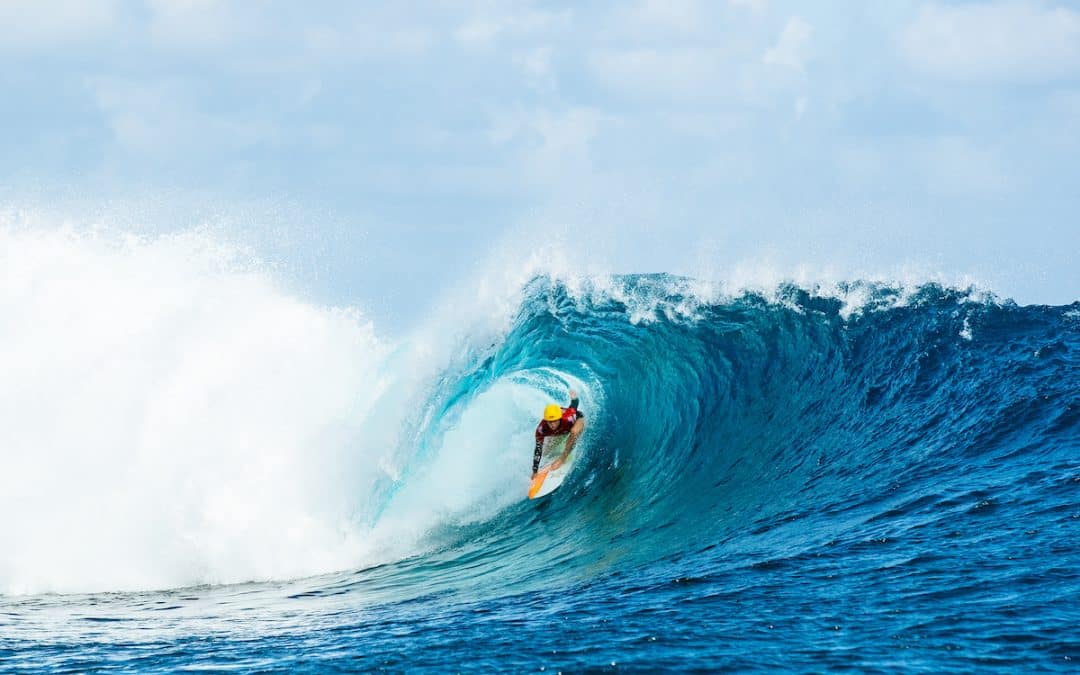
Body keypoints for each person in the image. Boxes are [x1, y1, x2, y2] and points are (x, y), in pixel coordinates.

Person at [533, 389, 586, 477]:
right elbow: (538, 449)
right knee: (546, 451)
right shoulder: (541, 429)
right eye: (549, 422)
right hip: (562, 430)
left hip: (578, 419)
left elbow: (574, 405)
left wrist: (574, 398)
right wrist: (535, 470)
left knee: (574, 432)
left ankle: (563, 458)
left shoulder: (568, 418)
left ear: (559, 418)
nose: (552, 424)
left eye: (554, 421)